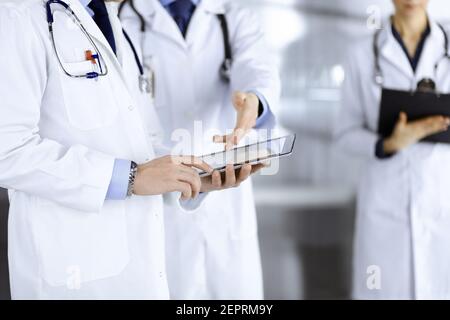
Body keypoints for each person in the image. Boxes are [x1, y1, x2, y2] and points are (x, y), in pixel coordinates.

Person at [0, 0, 258, 299]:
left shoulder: (107, 17)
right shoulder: (16, 15)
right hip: (73, 268)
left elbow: (139, 138)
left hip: (140, 267)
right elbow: (7, 150)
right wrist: (129, 177)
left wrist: (194, 175)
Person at [120, 0, 280, 299]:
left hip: (226, 206)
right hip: (158, 205)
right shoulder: (125, 18)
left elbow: (258, 69)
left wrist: (254, 100)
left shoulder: (232, 15)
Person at [335, 0, 450, 299]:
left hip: (442, 204)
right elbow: (345, 134)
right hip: (385, 209)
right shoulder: (361, 53)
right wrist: (388, 144)